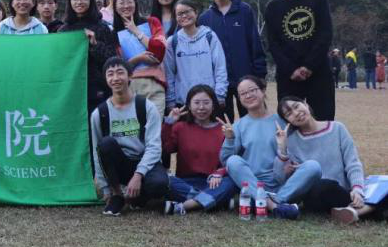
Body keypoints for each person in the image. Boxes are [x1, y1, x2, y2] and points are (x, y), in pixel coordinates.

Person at [219, 75, 321, 219]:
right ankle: (275, 206)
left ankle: (270, 202)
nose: (248, 95)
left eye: (252, 90)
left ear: (263, 90)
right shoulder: (238, 126)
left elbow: (296, 151)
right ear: (239, 98)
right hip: (254, 185)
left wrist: (287, 156)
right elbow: (226, 161)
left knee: (313, 166)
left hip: (285, 185)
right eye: (243, 93)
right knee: (233, 161)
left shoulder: (283, 121)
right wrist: (230, 139)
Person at [275, 96, 385, 224]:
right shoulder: (292, 141)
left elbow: (352, 163)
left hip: (343, 192)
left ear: (305, 103)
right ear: (287, 121)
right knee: (323, 186)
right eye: (289, 114)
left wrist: (357, 189)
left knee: (383, 188)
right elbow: (280, 178)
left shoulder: (337, 128)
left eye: (296, 106)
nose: (296, 113)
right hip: (317, 194)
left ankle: (354, 212)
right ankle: (367, 209)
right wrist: (282, 148)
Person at [90, 57, 168, 216]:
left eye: (120, 72)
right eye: (110, 74)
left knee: (159, 184)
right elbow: (97, 153)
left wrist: (138, 175)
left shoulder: (146, 106)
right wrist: (106, 189)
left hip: (143, 161)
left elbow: (154, 147)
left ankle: (138, 197)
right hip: (120, 165)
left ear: (130, 76)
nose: (115, 78)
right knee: (105, 144)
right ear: (106, 79)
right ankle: (117, 195)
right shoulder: (99, 113)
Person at [264, 0, 334, 120]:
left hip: (319, 71)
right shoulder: (272, 7)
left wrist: (309, 66)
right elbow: (272, 43)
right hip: (288, 76)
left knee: (323, 120)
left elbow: (325, 34)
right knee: (290, 122)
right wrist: (291, 69)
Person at [198, 0, 268, 120]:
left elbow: (255, 43)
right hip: (219, 83)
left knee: (255, 119)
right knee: (222, 124)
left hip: (247, 78)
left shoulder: (244, 10)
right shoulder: (204, 18)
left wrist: (260, 75)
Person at [162, 85, 237, 215]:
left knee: (231, 181)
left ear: (213, 106)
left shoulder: (223, 130)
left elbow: (231, 160)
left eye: (206, 103)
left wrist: (219, 173)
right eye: (196, 103)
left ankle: (187, 205)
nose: (201, 107)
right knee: (163, 180)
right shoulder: (180, 127)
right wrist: (169, 123)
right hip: (185, 182)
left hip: (213, 182)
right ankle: (216, 200)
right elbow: (168, 148)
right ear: (189, 106)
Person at [58, 0, 119, 115]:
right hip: (71, 88)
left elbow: (112, 58)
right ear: (69, 2)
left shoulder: (102, 27)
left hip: (98, 89)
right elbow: (59, 61)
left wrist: (94, 44)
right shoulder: (63, 31)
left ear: (91, 1)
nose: (79, 2)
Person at [164, 0, 228, 111]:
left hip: (209, 101)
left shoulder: (210, 36)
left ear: (196, 12)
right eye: (180, 14)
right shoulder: (172, 42)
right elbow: (169, 74)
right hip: (183, 102)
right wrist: (171, 100)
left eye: (187, 11)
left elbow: (220, 68)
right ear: (175, 17)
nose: (184, 16)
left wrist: (220, 94)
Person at [111, 0, 167, 114]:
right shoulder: (113, 33)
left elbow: (159, 52)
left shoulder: (152, 22)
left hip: (154, 84)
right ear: (115, 7)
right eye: (121, 3)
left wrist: (136, 31)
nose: (126, 6)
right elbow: (117, 67)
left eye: (129, 2)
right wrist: (139, 58)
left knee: (155, 125)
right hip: (129, 87)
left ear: (135, 3)